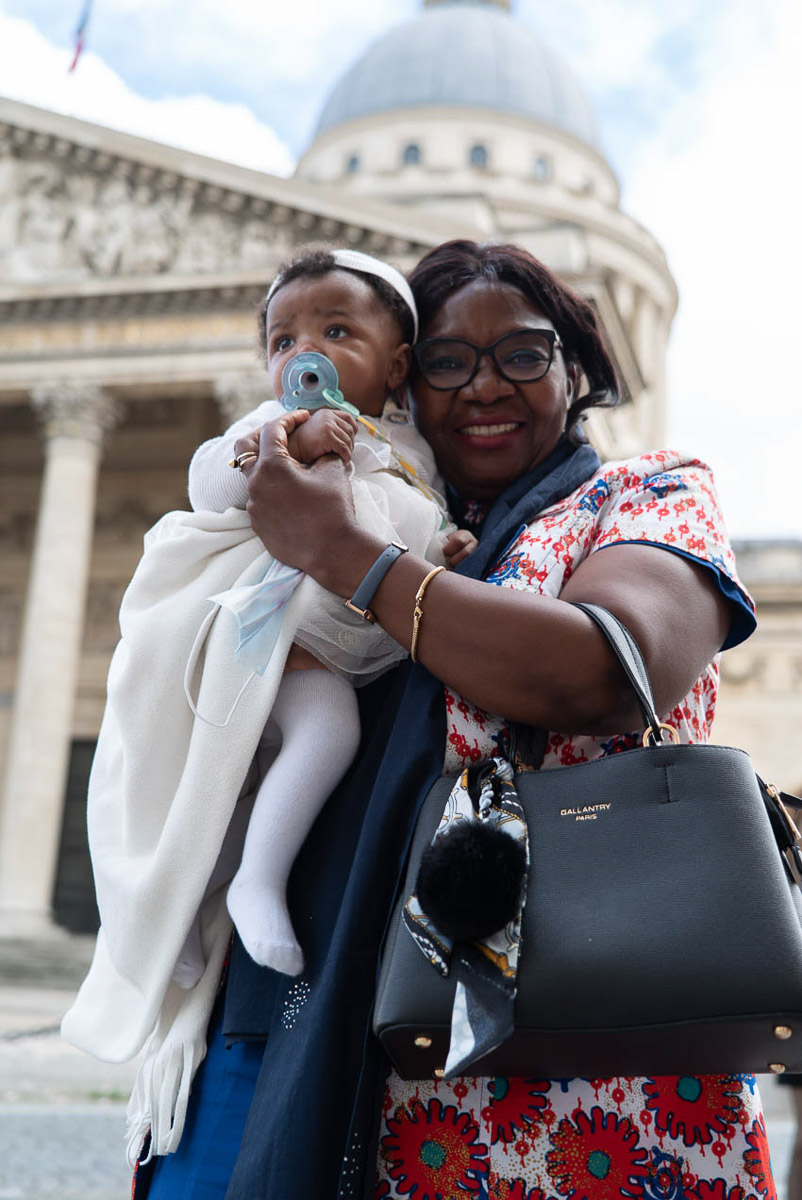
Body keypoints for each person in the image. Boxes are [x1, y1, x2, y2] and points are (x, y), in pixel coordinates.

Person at [119, 237, 770, 1198]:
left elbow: (610, 669)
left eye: (523, 352)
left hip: (594, 1080)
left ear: (576, 366)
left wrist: (354, 560)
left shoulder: (643, 493)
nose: (483, 386)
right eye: (446, 362)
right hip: (344, 1040)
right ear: (398, 381)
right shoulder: (375, 512)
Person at [173, 246, 475, 984]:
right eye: (283, 342)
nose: (306, 352)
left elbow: (408, 524)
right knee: (323, 732)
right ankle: (251, 885)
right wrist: (283, 444)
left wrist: (449, 548)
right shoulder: (279, 416)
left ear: (396, 366)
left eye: (336, 333)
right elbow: (208, 480)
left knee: (265, 784)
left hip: (344, 638)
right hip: (279, 632)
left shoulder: (411, 451)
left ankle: (181, 903)